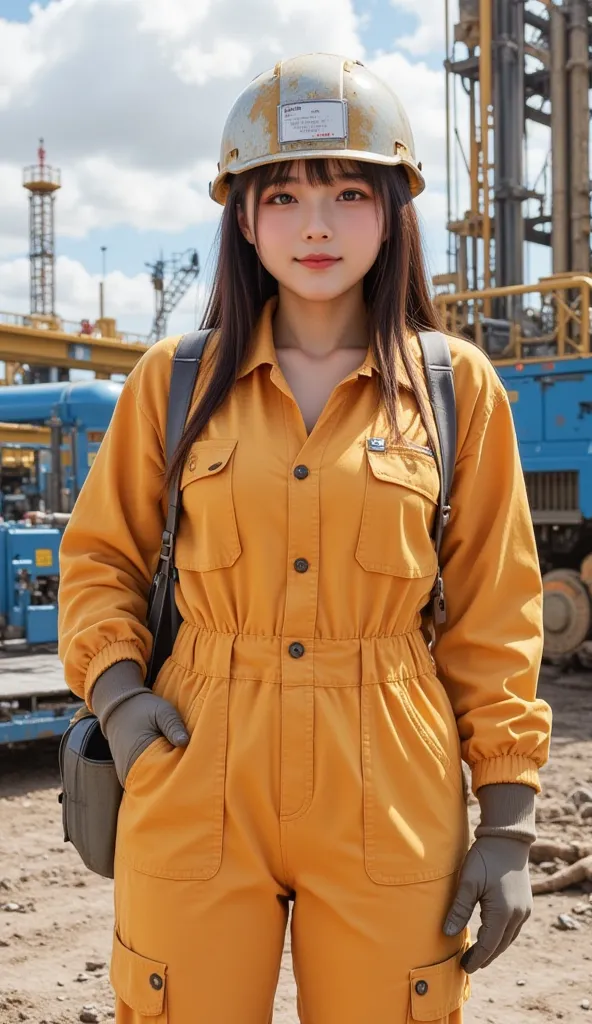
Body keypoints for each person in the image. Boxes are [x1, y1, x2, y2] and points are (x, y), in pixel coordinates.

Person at [57, 52, 552, 1024]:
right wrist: (118, 697)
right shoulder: (174, 382)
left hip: (391, 777)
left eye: (348, 192)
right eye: (281, 193)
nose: (315, 224)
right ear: (242, 217)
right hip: (195, 760)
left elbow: (496, 612)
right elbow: (100, 559)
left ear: (392, 209)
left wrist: (507, 820)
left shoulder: (455, 393)